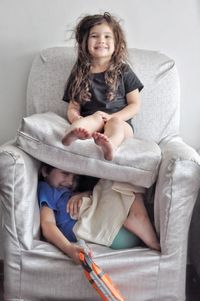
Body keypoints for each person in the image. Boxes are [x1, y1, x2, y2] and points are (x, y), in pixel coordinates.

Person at [38, 164, 160, 265]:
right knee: (120, 173)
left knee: (128, 169)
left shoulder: (68, 191)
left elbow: (96, 196)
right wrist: (69, 249)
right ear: (45, 171)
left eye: (75, 178)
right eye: (65, 173)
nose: (70, 182)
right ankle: (139, 216)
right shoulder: (46, 189)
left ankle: (139, 216)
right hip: (99, 231)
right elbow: (48, 225)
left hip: (115, 228)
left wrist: (84, 193)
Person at [62, 12, 143, 161]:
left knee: (115, 124)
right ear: (85, 43)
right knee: (93, 119)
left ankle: (110, 145)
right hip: (94, 121)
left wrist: (113, 117)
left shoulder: (123, 71)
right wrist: (76, 119)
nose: (101, 40)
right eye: (94, 36)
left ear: (117, 44)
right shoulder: (79, 72)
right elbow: (73, 107)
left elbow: (135, 105)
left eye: (107, 36)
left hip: (120, 122)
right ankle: (72, 134)